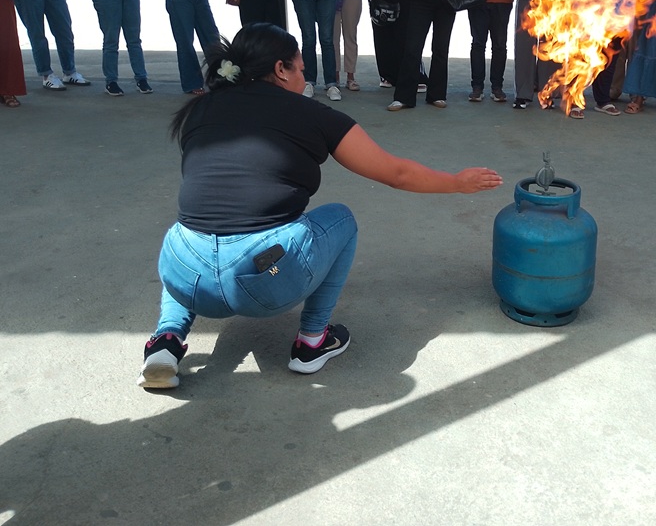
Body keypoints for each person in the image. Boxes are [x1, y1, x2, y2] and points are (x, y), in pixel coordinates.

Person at [137, 22, 502, 388]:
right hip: (265, 278)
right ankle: (312, 341)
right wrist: (456, 183)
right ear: (281, 69)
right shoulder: (313, 114)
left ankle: (165, 341)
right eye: (300, 68)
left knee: (191, 229)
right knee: (340, 219)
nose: (303, 77)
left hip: (186, 276)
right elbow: (397, 173)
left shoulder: (198, 110)